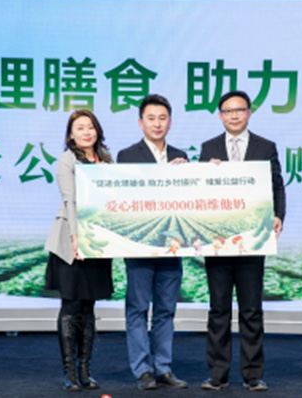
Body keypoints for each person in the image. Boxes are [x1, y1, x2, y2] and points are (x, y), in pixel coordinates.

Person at [199, 90, 286, 392]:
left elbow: (277, 185)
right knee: (218, 309)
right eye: (228, 111)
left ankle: (253, 374)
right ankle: (217, 374)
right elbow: (200, 193)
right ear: (220, 115)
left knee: (251, 310)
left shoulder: (265, 146)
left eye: (239, 110)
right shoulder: (209, 148)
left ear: (249, 113)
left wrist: (278, 216)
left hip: (252, 239)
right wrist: (205, 174)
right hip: (218, 241)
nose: (234, 115)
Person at [116, 94, 189, 390]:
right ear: (140, 123)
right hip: (139, 245)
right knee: (137, 308)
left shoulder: (181, 156)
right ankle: (142, 370)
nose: (157, 124)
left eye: (162, 118)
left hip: (172, 245)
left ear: (169, 122)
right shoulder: (126, 156)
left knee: (165, 310)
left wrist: (188, 175)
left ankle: (163, 368)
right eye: (151, 118)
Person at [44, 109, 114, 392]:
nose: (86, 132)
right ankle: (70, 372)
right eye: (80, 128)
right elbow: (70, 200)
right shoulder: (67, 159)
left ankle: (85, 369)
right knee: (71, 307)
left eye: (90, 127)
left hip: (96, 242)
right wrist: (76, 237)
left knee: (88, 307)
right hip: (70, 241)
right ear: (71, 135)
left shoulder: (106, 161)